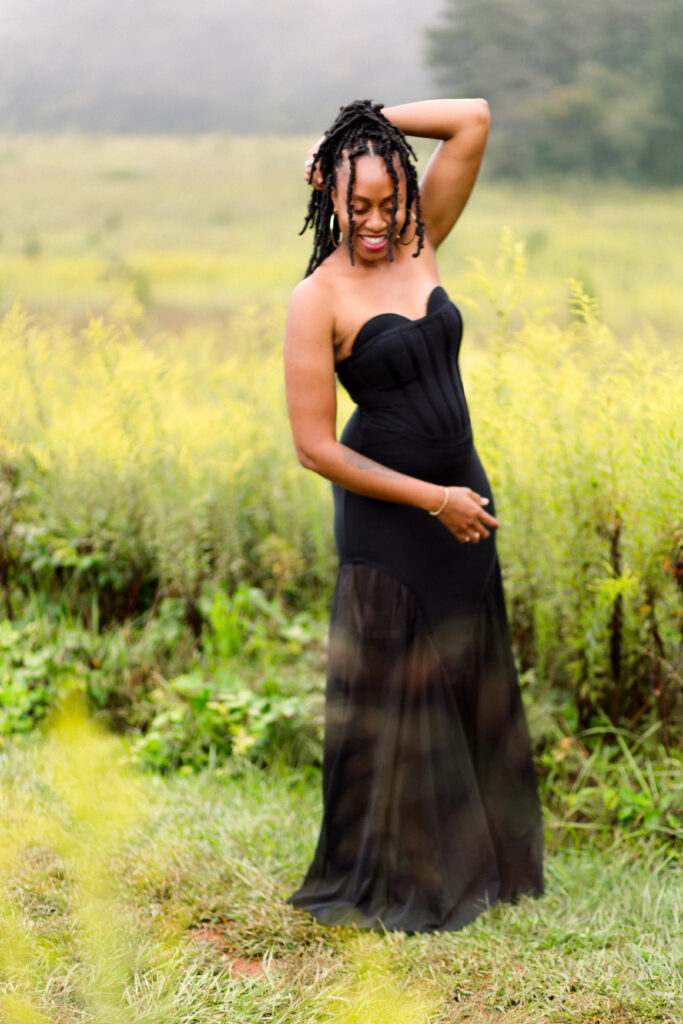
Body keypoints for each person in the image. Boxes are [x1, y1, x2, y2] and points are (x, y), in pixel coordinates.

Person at [283, 99, 543, 932]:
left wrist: (358, 128)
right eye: (356, 206)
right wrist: (433, 500)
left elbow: (471, 118)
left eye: (386, 202)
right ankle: (405, 878)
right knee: (400, 696)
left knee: (468, 674)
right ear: (329, 197)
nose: (374, 222)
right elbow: (315, 448)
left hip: (464, 499)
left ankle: (483, 867)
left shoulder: (421, 238)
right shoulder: (315, 298)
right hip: (394, 521)